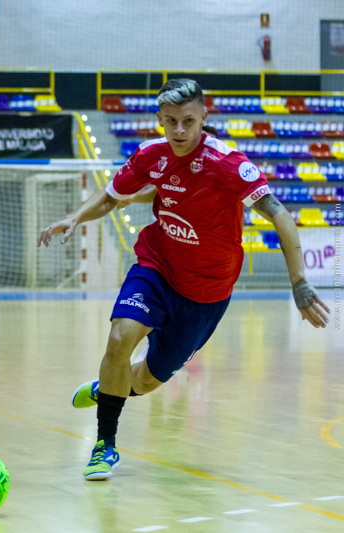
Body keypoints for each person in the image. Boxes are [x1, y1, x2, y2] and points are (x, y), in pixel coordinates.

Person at [38, 79, 329, 480]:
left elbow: (279, 213)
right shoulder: (150, 155)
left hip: (207, 293)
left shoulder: (227, 164)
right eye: (170, 121)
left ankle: (108, 387)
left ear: (204, 117)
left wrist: (299, 282)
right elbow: (112, 195)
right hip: (158, 266)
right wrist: (76, 216)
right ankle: (105, 445)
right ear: (159, 118)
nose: (179, 130)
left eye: (188, 121)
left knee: (145, 382)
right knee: (120, 338)